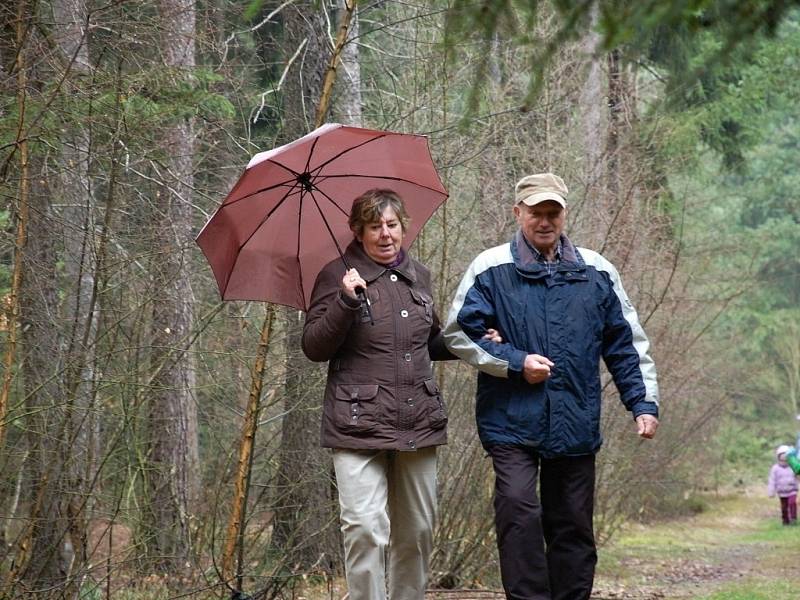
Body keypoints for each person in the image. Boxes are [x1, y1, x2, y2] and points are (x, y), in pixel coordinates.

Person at [443, 173, 660, 600]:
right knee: (519, 515)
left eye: (552, 213)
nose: (544, 222)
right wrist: (515, 363)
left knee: (573, 527)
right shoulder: (490, 269)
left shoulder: (596, 271)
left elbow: (626, 344)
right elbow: (458, 334)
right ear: (517, 213)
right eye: (535, 213)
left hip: (576, 419)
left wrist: (643, 403)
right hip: (509, 420)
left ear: (564, 213)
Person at [302, 188, 454, 600]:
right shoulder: (336, 275)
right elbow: (314, 347)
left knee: (418, 530)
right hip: (357, 423)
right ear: (357, 230)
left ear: (403, 226)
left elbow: (429, 342)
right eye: (374, 226)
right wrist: (346, 302)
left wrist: (468, 341)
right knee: (366, 529)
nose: (385, 234)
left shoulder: (419, 275)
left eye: (392, 224)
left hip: (417, 420)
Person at [767, 444, 798, 526]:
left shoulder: (793, 466)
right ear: (778, 457)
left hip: (792, 489)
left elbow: (798, 476)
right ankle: (785, 521)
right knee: (784, 507)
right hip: (782, 491)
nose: (784, 459)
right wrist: (771, 491)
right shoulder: (775, 468)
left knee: (792, 503)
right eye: (782, 457)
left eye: (786, 457)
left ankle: (793, 518)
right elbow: (772, 480)